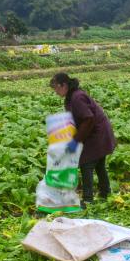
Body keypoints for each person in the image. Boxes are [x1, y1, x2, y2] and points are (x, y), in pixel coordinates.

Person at [50, 73, 116, 206]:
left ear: (64, 85)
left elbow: (88, 119)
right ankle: (105, 193)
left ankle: (88, 199)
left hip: (96, 133)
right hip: (96, 132)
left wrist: (76, 140)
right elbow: (76, 118)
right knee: (99, 164)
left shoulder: (77, 97)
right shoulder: (71, 97)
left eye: (56, 88)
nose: (55, 91)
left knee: (87, 163)